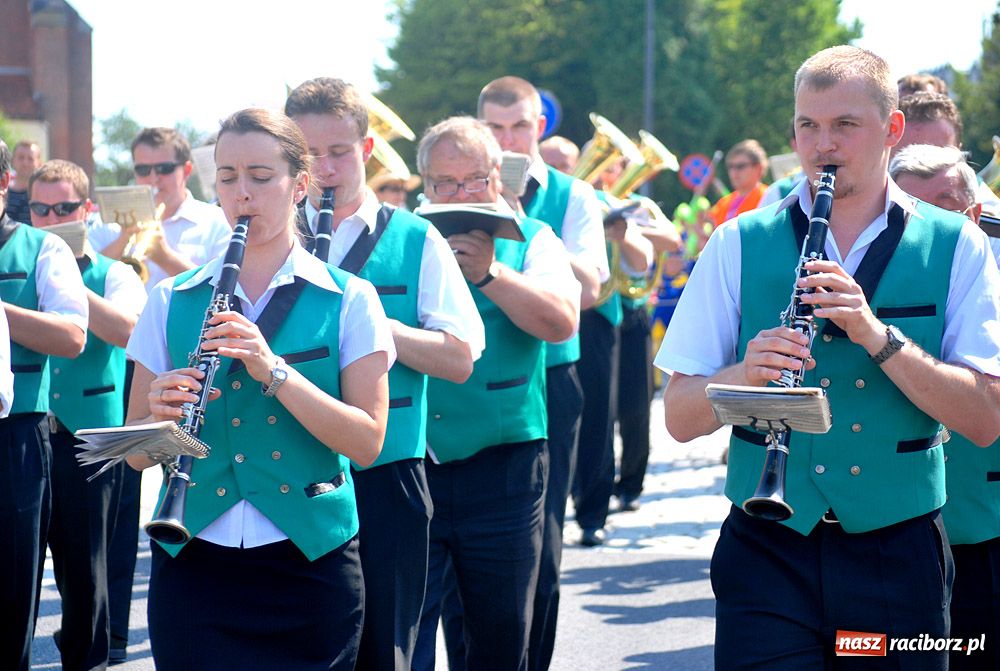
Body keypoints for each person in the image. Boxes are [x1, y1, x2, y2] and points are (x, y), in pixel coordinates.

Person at [656, 45, 1000, 670]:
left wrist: (877, 336)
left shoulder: (959, 245)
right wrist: (743, 374)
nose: (823, 145)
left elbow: (985, 418)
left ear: (892, 129)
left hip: (897, 554)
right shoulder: (737, 241)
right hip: (767, 550)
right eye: (808, 126)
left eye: (845, 125)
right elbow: (678, 417)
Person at [123, 107, 393, 670]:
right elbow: (136, 454)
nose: (241, 193)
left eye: (261, 177)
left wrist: (274, 370)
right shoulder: (171, 299)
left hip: (311, 565)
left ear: (300, 185)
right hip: (194, 562)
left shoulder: (351, 297)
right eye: (227, 177)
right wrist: (161, 417)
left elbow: (367, 442)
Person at [285, 77, 483, 671]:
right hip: (287, 468)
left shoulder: (418, 237)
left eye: (339, 151)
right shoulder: (270, 234)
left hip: (386, 471)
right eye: (310, 154)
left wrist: (372, 325)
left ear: (367, 150)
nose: (324, 168)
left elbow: (460, 357)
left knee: (387, 647)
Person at [412, 115, 579, 671]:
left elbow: (561, 322)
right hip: (413, 462)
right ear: (425, 185)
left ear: (496, 179)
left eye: (473, 181)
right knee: (405, 635)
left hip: (505, 463)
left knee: (502, 635)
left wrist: (491, 274)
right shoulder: (402, 238)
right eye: (445, 184)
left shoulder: (533, 237)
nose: (461, 196)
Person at [478, 75, 607, 671]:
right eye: (495, 128)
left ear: (540, 127)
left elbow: (592, 289)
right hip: (474, 380)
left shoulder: (572, 195)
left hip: (550, 378)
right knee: (468, 546)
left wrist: (527, 227)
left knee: (543, 544)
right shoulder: (461, 192)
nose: (507, 141)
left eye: (518, 128)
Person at [29, 159, 147, 670]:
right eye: (41, 210)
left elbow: (130, 333)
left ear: (87, 210)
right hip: (28, 432)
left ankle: (88, 661)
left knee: (86, 570)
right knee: (18, 565)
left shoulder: (114, 272)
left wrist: (71, 283)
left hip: (92, 438)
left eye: (65, 208)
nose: (52, 219)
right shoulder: (19, 264)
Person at [890, 143, 1000, 670]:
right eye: (909, 212)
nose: (925, 228)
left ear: (974, 214)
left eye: (942, 210)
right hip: (887, 530)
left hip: (980, 525)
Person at [0, 140, 88, 671]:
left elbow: (73, 336)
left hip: (15, 431)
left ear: (3, 184)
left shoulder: (41, 248)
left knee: (12, 585)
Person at [92, 127, 232, 290]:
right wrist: (121, 241)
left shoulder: (218, 222)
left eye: (164, 168)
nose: (153, 179)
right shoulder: (108, 222)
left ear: (186, 171)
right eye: (143, 170)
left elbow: (222, 290)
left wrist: (166, 258)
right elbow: (85, 280)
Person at [700, 139, 769, 229]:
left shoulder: (768, 196)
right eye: (731, 166)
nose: (734, 172)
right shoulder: (724, 202)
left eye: (740, 166)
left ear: (758, 168)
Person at [7, 140, 41, 224]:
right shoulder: (2, 192)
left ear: (39, 163)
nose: (25, 163)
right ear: (12, 161)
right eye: (21, 157)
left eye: (30, 158)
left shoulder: (44, 194)